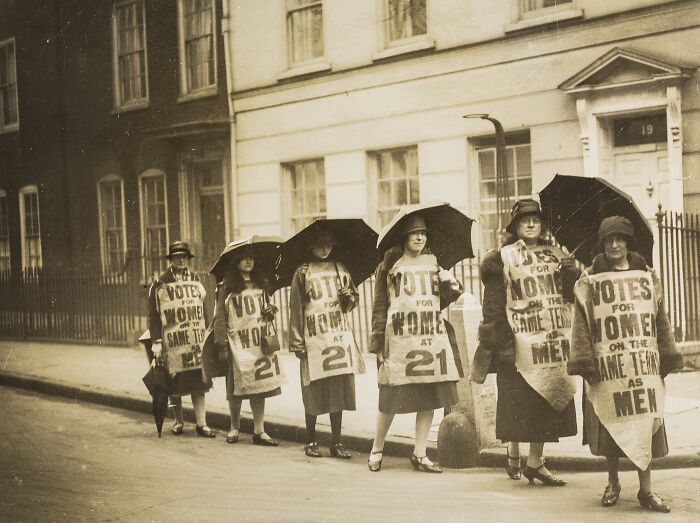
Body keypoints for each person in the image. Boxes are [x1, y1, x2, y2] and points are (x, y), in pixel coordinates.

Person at [568, 216, 683, 512]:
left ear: (629, 243)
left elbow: (659, 317)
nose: (615, 245)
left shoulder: (645, 275)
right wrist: (584, 360)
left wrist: (667, 354)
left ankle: (646, 491)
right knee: (610, 424)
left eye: (620, 239)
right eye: (609, 240)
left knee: (645, 427)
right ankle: (613, 483)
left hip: (642, 366)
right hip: (608, 367)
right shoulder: (590, 278)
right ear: (602, 244)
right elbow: (580, 322)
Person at [470, 199, 578, 485]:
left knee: (544, 403)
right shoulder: (502, 257)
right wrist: (499, 340)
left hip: (551, 344)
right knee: (519, 405)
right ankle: (514, 450)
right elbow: (492, 304)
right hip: (517, 342)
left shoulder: (556, 255)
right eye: (525, 220)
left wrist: (569, 272)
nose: (531, 224)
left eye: (536, 220)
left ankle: (534, 462)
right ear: (515, 226)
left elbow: (570, 297)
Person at [367, 214, 462, 473]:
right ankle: (377, 448)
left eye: (423, 233)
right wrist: (377, 344)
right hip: (399, 341)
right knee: (390, 398)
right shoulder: (390, 266)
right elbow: (379, 306)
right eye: (414, 233)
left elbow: (438, 301)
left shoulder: (434, 264)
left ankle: (420, 453)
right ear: (404, 237)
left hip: (429, 339)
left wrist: (451, 286)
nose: (420, 237)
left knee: (430, 398)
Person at [288, 232, 363, 459]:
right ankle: (311, 439)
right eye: (320, 245)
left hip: (337, 338)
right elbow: (296, 307)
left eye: (328, 244)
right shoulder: (302, 272)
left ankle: (336, 442)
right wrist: (297, 342)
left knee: (337, 391)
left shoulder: (340, 269)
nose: (324, 249)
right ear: (311, 247)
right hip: (313, 338)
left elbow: (352, 302)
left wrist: (348, 296)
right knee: (314, 391)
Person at [212, 247, 284, 447]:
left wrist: (271, 310)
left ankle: (259, 430)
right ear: (235, 263)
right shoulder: (226, 287)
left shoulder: (262, 283)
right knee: (236, 388)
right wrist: (222, 345)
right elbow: (220, 317)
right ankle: (234, 427)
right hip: (238, 343)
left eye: (251, 258)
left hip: (258, 343)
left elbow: (266, 311)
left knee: (259, 387)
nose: (248, 262)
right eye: (243, 259)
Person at [148, 240, 215, 438]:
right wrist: (156, 341)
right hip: (173, 342)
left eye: (184, 256)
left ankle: (202, 424)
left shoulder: (195, 280)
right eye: (177, 257)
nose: (181, 260)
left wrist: (207, 332)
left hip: (194, 341)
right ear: (171, 259)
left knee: (198, 383)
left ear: (188, 258)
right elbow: (153, 314)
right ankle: (178, 420)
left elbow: (203, 308)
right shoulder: (161, 282)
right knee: (174, 384)